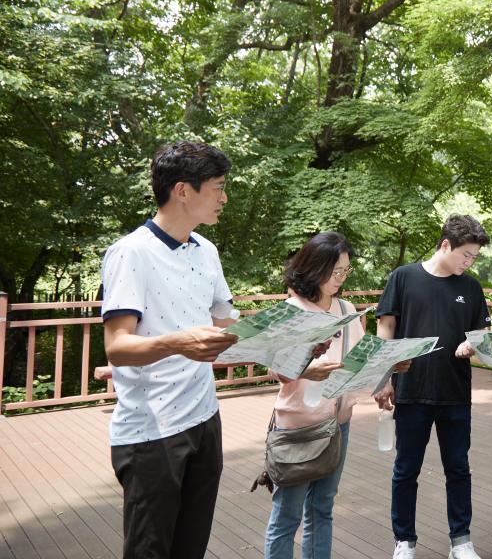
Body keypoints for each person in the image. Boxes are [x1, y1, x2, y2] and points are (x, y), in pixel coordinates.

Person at [100, 140, 239, 559]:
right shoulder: (131, 252)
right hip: (150, 433)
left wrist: (294, 339)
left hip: (204, 418)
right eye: (217, 186)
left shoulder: (206, 250)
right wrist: (178, 342)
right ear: (183, 190)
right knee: (150, 551)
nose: (224, 197)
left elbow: (227, 326)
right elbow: (117, 346)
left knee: (190, 547)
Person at [373, 214, 492, 559]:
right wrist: (384, 378)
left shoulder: (470, 287)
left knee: (458, 468)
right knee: (405, 469)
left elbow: (481, 332)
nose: (469, 262)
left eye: (474, 257)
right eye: (465, 255)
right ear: (445, 245)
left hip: (455, 391)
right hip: (411, 390)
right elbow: (386, 328)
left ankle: (461, 541)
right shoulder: (404, 278)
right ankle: (404, 541)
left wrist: (475, 344)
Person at [263, 231, 365, 559]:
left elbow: (358, 359)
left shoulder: (346, 308)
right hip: (298, 426)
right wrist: (307, 368)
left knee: (323, 507)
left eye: (345, 271)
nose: (340, 279)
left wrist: (386, 373)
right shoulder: (291, 310)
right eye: (335, 271)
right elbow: (276, 371)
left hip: (338, 421)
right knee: (287, 514)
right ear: (314, 267)